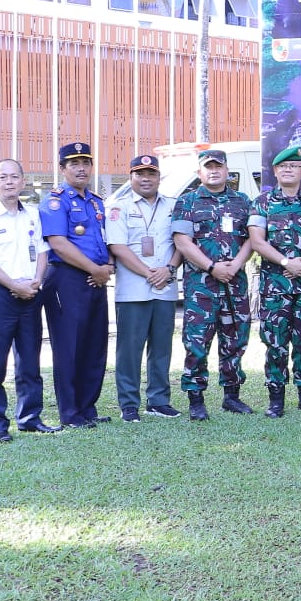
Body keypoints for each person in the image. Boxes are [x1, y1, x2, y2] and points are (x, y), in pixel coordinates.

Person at [0, 158, 57, 442]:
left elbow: (43, 251)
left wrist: (36, 282)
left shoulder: (32, 213)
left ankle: (30, 417)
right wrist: (13, 285)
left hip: (31, 294)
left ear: (23, 181)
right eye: (3, 177)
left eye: (14, 177)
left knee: (30, 362)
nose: (9, 182)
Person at [171, 149, 255, 420]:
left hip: (235, 283)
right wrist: (211, 267)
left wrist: (237, 264)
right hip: (201, 286)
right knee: (197, 341)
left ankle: (232, 396)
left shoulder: (242, 201)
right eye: (208, 167)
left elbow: (252, 239)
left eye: (218, 166)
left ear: (227, 170)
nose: (214, 171)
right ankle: (196, 399)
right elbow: (182, 242)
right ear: (200, 172)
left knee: (235, 339)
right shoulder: (187, 202)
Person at [39, 141, 113, 429]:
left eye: (85, 163)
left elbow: (103, 240)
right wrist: (95, 268)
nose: (81, 169)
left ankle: (87, 407)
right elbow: (58, 243)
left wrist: (106, 267)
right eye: (74, 164)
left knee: (94, 345)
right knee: (69, 346)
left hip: (96, 279)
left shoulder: (96, 202)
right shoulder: (54, 201)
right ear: (62, 169)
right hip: (66, 279)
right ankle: (70, 413)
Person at [249, 145, 301, 417]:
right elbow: (257, 241)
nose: (289, 170)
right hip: (274, 285)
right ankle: (276, 398)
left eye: (294, 166)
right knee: (275, 342)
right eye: (283, 167)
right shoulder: (262, 203)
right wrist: (286, 262)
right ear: (275, 172)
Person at [105, 154, 181, 423]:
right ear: (131, 177)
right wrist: (148, 272)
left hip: (165, 286)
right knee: (130, 349)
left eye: (151, 173)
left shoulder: (174, 205)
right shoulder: (118, 207)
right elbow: (117, 246)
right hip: (133, 289)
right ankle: (129, 404)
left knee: (161, 348)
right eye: (140, 173)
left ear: (159, 177)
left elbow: (180, 243)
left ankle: (159, 401)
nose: (146, 178)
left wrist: (169, 270)